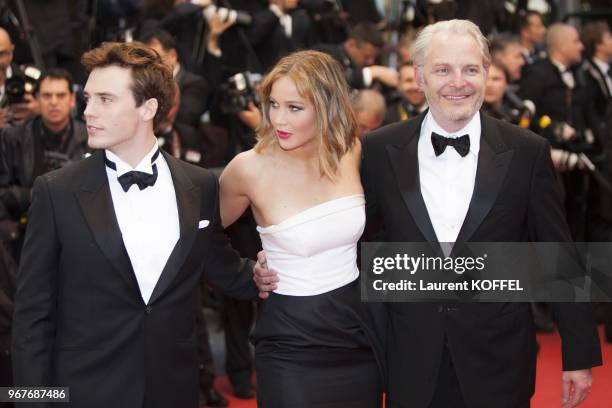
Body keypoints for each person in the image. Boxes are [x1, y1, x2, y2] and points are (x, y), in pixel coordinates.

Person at [256, 19, 602, 408]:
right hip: (410, 355)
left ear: (487, 74)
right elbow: (351, 234)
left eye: (470, 69)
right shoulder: (380, 149)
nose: (459, 82)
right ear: (419, 77)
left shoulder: (527, 150)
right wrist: (282, 252)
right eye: (443, 70)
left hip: (499, 357)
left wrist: (578, 353)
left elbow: (557, 251)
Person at [11, 42, 261, 408]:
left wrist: (266, 274)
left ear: (148, 108)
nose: (88, 111)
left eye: (105, 99)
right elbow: (32, 315)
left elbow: (220, 265)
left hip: (172, 388)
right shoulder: (56, 191)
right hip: (84, 391)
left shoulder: (199, 186)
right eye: (88, 99)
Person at [220, 49, 384, 407]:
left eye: (294, 108)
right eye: (274, 104)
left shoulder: (350, 151)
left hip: (357, 333)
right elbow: (199, 235)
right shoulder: (248, 169)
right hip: (290, 342)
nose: (280, 119)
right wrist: (244, 273)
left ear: (326, 107)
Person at [0, 68, 88, 261]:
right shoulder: (12, 138)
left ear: (72, 99)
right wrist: (33, 195)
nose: (54, 102)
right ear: (37, 99)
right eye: (47, 95)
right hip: (24, 230)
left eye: (61, 95)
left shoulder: (90, 139)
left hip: (78, 231)